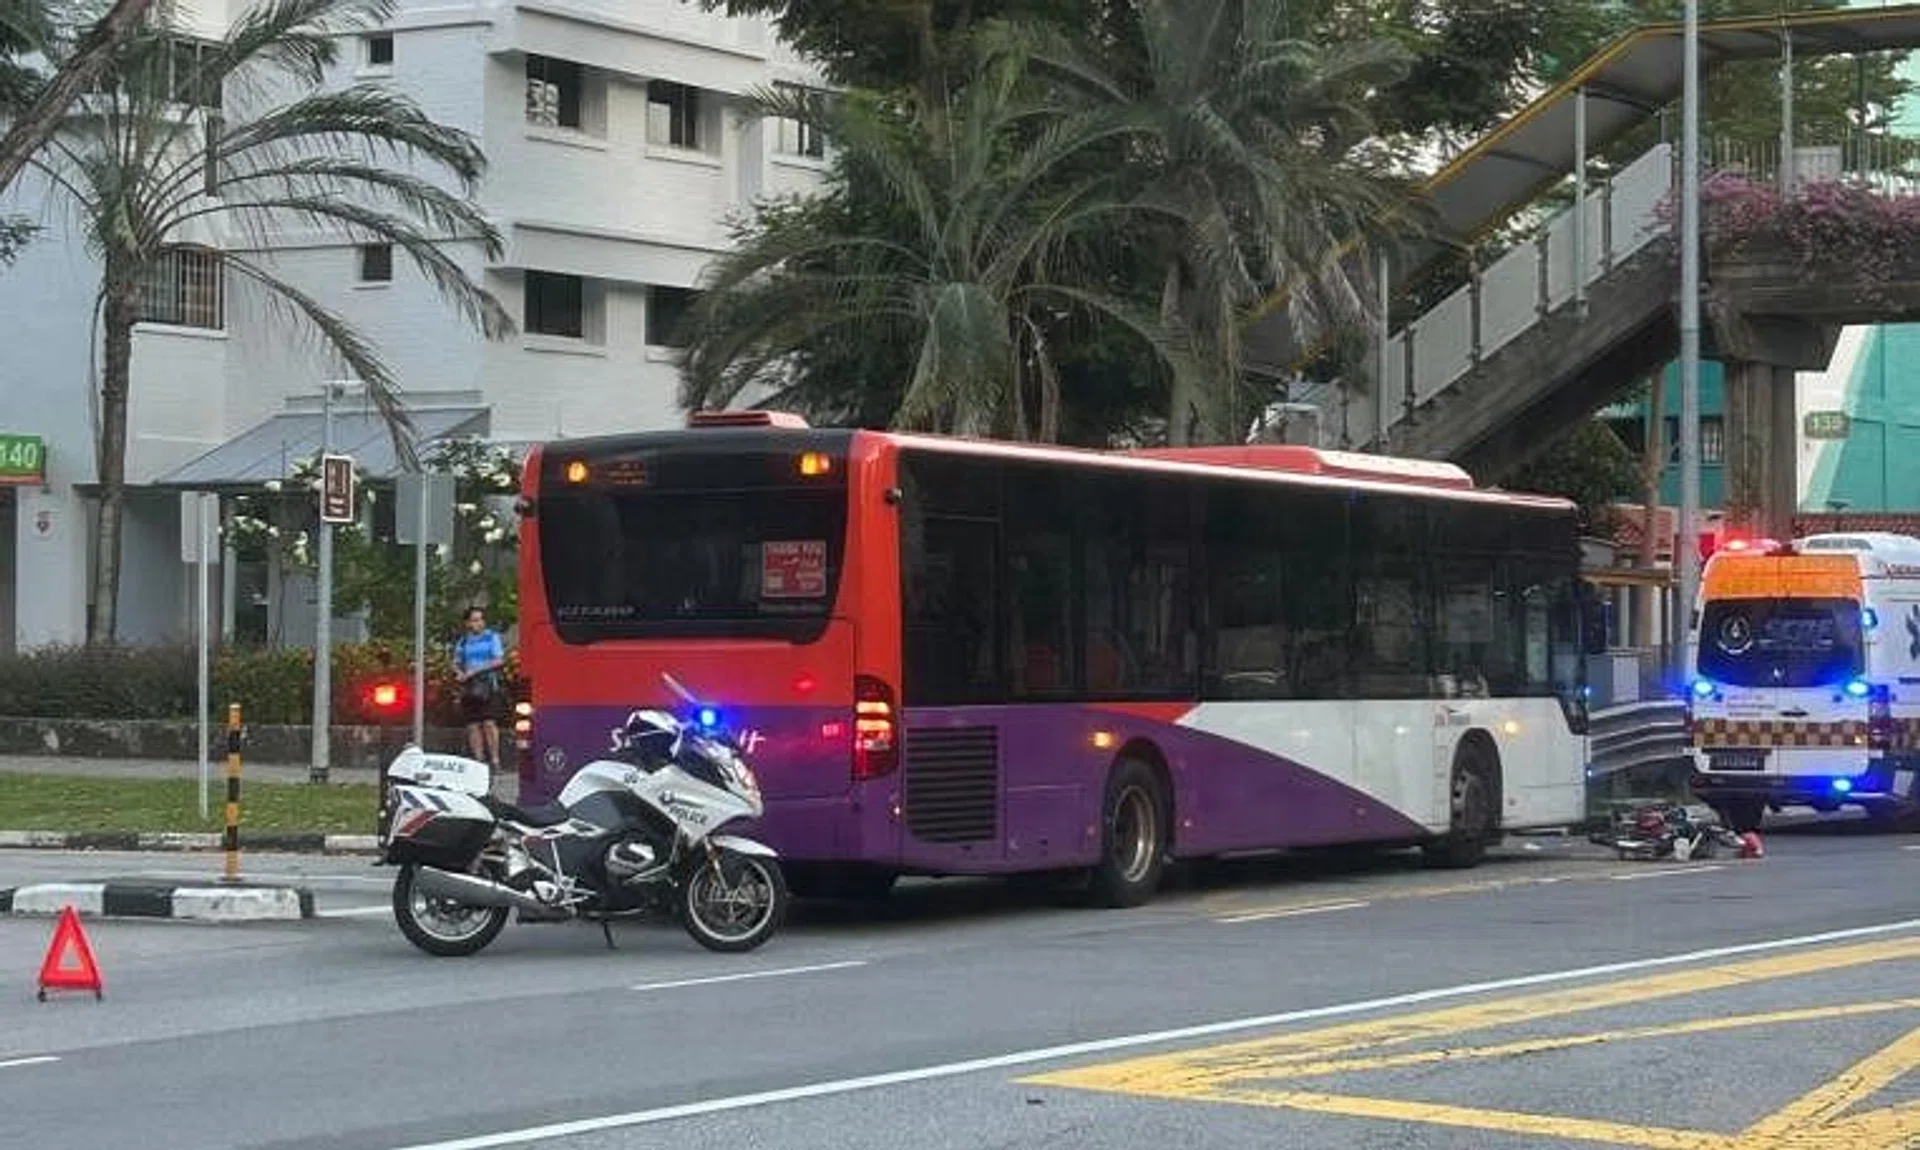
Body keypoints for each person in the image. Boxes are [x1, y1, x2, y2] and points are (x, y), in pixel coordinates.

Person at [452, 606, 506, 768]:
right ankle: (479, 761)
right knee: (473, 724)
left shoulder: (491, 637)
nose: (479, 623)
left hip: (487, 684)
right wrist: (459, 672)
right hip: (469, 686)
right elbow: (455, 662)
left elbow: (498, 660)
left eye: (481, 619)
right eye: (474, 620)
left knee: (489, 722)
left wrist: (476, 670)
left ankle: (495, 760)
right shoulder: (463, 641)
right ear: (467, 623)